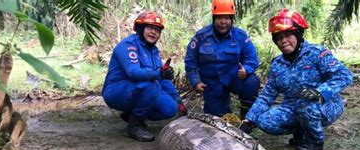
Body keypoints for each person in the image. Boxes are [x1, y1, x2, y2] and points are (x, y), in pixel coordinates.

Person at [240, 9, 353, 150]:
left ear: (298, 35)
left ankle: (315, 141)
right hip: (293, 106)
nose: (283, 41)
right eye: (279, 37)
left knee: (305, 104)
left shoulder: (317, 53)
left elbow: (344, 76)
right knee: (264, 120)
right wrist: (249, 120)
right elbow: (266, 96)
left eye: (288, 35)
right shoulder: (277, 64)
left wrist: (320, 92)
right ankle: (301, 131)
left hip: (326, 105)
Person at [102, 11, 186, 142]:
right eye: (150, 28)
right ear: (141, 28)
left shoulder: (154, 51)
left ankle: (131, 114)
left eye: (157, 30)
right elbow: (133, 72)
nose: (154, 32)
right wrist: (158, 74)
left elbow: (162, 78)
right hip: (116, 91)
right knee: (150, 84)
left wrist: (178, 100)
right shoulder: (128, 45)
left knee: (170, 108)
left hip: (139, 89)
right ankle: (135, 125)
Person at [184, 0, 260, 118]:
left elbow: (252, 58)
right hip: (212, 83)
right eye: (219, 18)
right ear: (214, 18)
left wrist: (246, 69)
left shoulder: (240, 36)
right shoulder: (201, 37)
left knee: (251, 83)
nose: (223, 22)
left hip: (235, 77)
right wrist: (196, 82)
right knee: (218, 119)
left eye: (227, 18)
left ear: (231, 20)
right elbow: (190, 61)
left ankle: (247, 119)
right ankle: (221, 108)